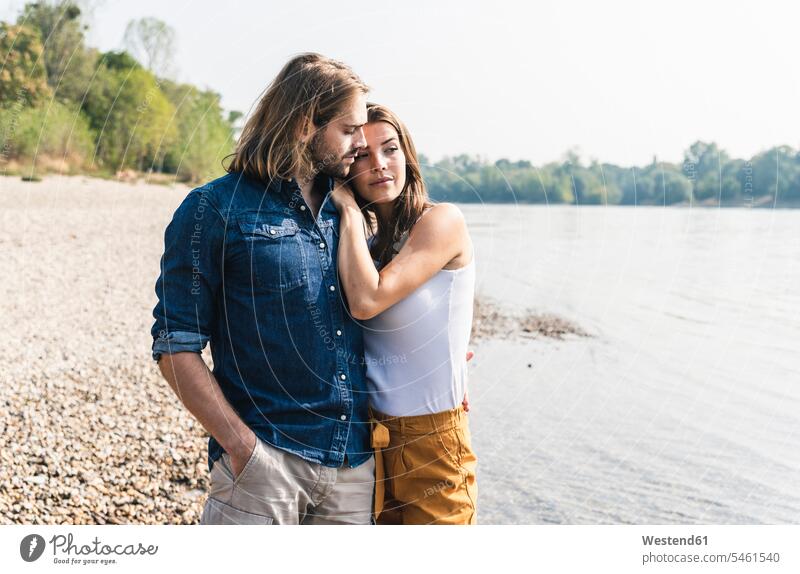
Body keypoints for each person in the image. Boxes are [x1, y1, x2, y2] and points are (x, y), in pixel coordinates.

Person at [150, 53, 377, 525]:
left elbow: (383, 311)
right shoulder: (213, 208)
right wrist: (241, 445)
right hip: (264, 463)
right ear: (302, 126)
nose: (362, 142)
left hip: (353, 467)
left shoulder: (352, 215)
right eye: (349, 129)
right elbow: (175, 345)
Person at [330, 103, 478, 524]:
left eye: (390, 149)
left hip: (432, 441)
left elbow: (366, 301)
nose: (379, 164)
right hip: (370, 437)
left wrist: (347, 210)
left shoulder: (442, 221)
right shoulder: (371, 245)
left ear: (407, 156)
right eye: (362, 154)